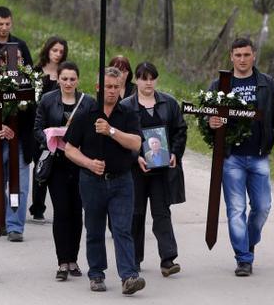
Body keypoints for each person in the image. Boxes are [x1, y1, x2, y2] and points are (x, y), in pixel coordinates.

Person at [207, 38, 274, 277]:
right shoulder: (220, 84)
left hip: (259, 156)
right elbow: (209, 116)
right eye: (238, 55)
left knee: (262, 207)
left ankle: (248, 242)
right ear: (231, 57)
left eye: (246, 55)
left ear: (254, 55)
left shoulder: (266, 84)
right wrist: (211, 122)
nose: (242, 59)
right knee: (236, 209)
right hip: (231, 157)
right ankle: (243, 259)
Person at [64, 67, 145, 295]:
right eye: (107, 87)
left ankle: (129, 276)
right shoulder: (85, 114)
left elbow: (136, 143)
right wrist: (88, 163)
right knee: (95, 229)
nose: (111, 91)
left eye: (115, 87)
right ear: (98, 88)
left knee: (122, 229)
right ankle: (97, 274)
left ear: (121, 88)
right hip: (92, 181)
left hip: (122, 181)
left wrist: (110, 131)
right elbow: (69, 149)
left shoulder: (128, 114)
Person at [121, 61, 186, 277]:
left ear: (156, 79)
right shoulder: (127, 106)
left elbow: (180, 130)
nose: (148, 82)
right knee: (136, 213)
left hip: (162, 171)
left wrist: (175, 152)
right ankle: (134, 259)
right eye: (143, 78)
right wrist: (136, 157)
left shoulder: (169, 103)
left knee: (161, 213)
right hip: (136, 171)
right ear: (136, 80)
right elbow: (122, 139)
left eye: (152, 78)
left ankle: (168, 260)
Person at [34, 61, 93, 280]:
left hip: (79, 164)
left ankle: (73, 260)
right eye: (64, 79)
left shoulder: (87, 103)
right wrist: (51, 138)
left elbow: (94, 132)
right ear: (58, 79)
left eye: (72, 79)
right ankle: (61, 262)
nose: (68, 83)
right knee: (61, 212)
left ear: (78, 80)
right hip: (57, 163)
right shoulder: (48, 100)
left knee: (77, 213)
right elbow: (37, 129)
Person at [30, 36, 69, 223]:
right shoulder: (36, 72)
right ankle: (37, 207)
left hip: (59, 127)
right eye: (54, 50)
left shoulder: (64, 74)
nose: (57, 54)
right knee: (40, 166)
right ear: (48, 50)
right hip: (40, 126)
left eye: (61, 51)